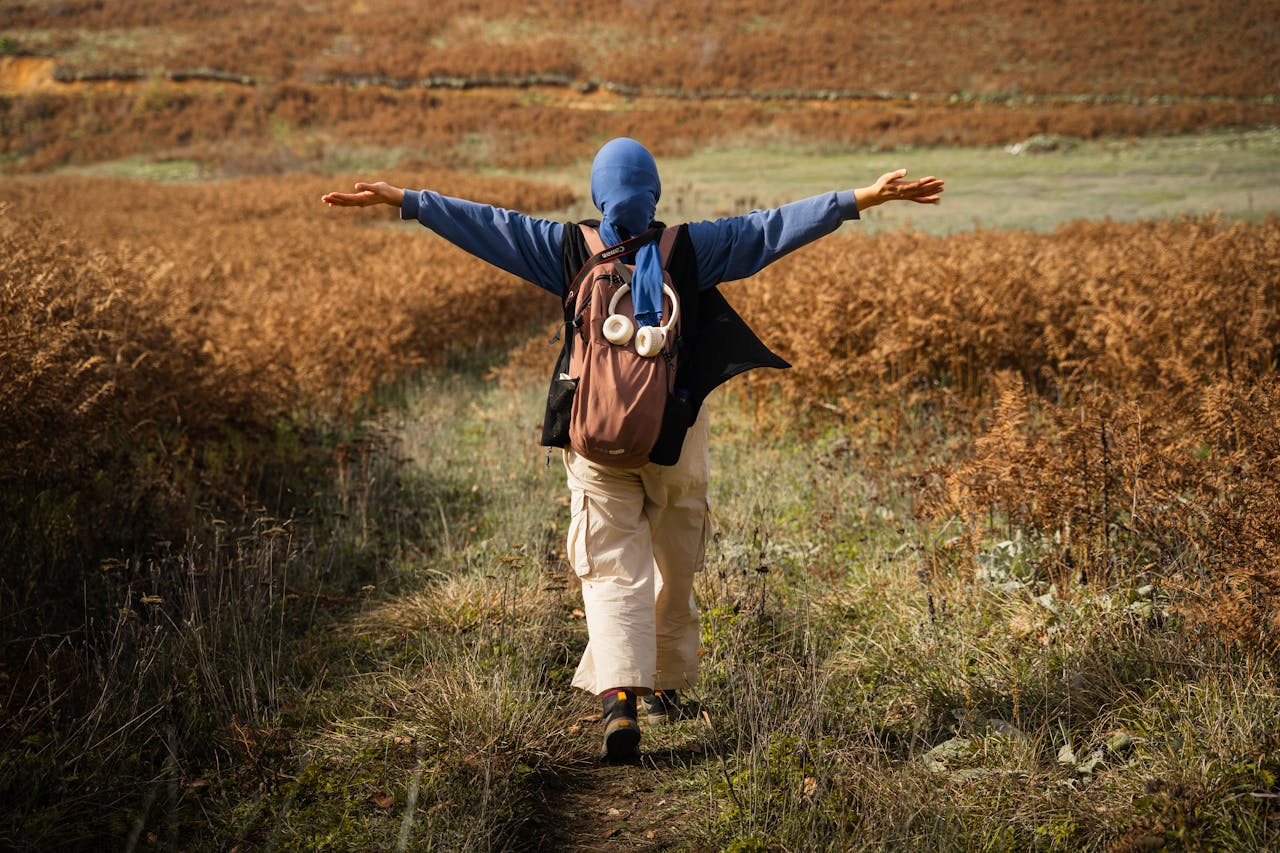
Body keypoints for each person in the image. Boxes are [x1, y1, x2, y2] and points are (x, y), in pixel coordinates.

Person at [322, 138, 943, 760]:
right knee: (676, 560)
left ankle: (619, 699)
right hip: (675, 435)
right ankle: (668, 682)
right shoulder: (694, 249)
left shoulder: (566, 249)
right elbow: (772, 228)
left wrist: (408, 199)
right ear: (656, 193)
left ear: (597, 193)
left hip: (593, 436)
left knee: (610, 565)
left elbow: (487, 225)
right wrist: (862, 196)